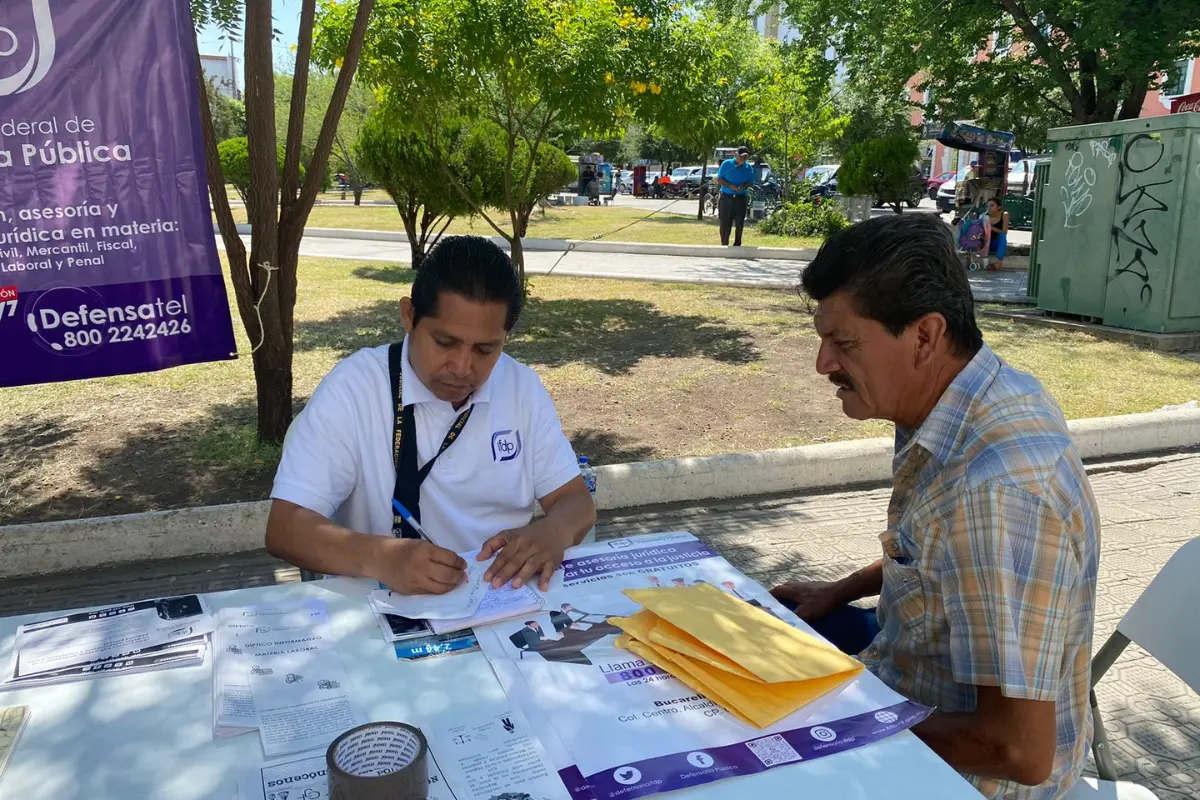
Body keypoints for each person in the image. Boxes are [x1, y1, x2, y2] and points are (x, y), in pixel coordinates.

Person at [770, 214, 1098, 798]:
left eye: (843, 343)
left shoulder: (997, 495)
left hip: (969, 778)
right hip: (907, 681)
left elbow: (1017, 752)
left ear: (924, 336)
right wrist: (838, 590)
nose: (823, 364)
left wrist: (836, 730)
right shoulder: (967, 397)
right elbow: (938, 554)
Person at [266, 236, 596, 595]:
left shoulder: (520, 387)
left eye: (485, 349)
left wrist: (553, 532)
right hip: (383, 606)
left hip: (499, 598)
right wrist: (381, 558)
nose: (462, 367)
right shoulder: (354, 388)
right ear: (409, 315)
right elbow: (285, 529)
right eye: (445, 342)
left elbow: (576, 501)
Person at [715, 146, 756, 247]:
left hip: (740, 198)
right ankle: (724, 243)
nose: (743, 159)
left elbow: (751, 182)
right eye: (741, 157)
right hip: (726, 197)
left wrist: (744, 186)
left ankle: (737, 244)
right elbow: (719, 179)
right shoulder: (726, 164)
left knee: (739, 223)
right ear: (736, 155)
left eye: (745, 157)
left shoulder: (748, 167)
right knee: (725, 223)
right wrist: (730, 185)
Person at [986, 197, 1009, 270]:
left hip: (997, 243)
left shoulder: (1004, 214)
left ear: (998, 207)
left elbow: (1004, 232)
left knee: (1002, 235)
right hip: (986, 243)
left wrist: (990, 227)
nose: (989, 208)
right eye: (988, 206)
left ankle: (999, 263)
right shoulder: (985, 216)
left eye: (992, 206)